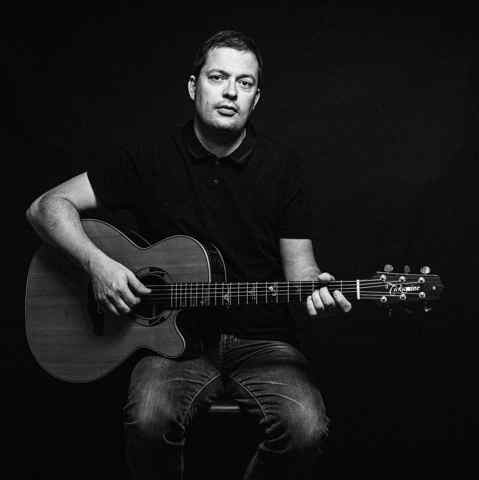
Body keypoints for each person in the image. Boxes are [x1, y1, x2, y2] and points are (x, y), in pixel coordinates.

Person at [26, 30, 351, 480]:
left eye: (245, 83)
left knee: (306, 429)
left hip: (263, 342)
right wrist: (97, 264)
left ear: (256, 98)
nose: (231, 91)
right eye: (218, 77)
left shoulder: (283, 168)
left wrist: (318, 289)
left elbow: (302, 272)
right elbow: (45, 207)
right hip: (172, 349)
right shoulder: (149, 158)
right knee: (148, 420)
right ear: (193, 86)